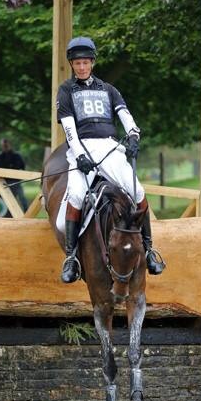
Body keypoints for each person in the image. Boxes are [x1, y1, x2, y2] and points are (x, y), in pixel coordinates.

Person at [57, 36, 165, 283]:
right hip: (82, 148)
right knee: (75, 195)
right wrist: (80, 154)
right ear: (72, 65)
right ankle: (71, 258)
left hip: (110, 147)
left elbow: (125, 115)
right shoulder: (65, 91)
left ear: (92, 62)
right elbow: (69, 128)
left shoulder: (109, 89)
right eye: (77, 63)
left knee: (138, 193)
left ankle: (149, 251)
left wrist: (133, 134)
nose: (82, 67)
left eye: (85, 62)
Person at [0, 138, 28, 213]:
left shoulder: (17, 155)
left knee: (22, 198)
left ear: (10, 145)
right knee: (7, 199)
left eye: (6, 145)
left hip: (16, 181)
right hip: (4, 182)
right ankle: (9, 214)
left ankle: (27, 213)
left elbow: (22, 166)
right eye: (3, 145)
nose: (5, 147)